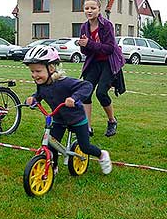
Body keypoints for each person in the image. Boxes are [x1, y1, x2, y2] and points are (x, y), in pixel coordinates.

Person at [23, 45, 112, 175]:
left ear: (51, 68)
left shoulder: (64, 82)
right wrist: (34, 99)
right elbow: (40, 94)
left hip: (77, 119)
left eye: (38, 71)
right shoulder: (41, 85)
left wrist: (74, 98)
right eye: (32, 72)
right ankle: (53, 167)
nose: (34, 75)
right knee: (51, 143)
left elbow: (87, 86)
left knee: (85, 147)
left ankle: (102, 155)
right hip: (59, 119)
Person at [78, 0, 125, 137]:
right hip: (94, 62)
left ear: (99, 10)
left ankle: (112, 121)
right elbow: (85, 51)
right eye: (87, 8)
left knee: (101, 93)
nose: (89, 11)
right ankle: (87, 127)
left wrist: (89, 44)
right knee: (85, 92)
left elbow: (110, 48)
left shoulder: (107, 25)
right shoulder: (84, 27)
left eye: (93, 8)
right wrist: (83, 46)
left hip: (109, 63)